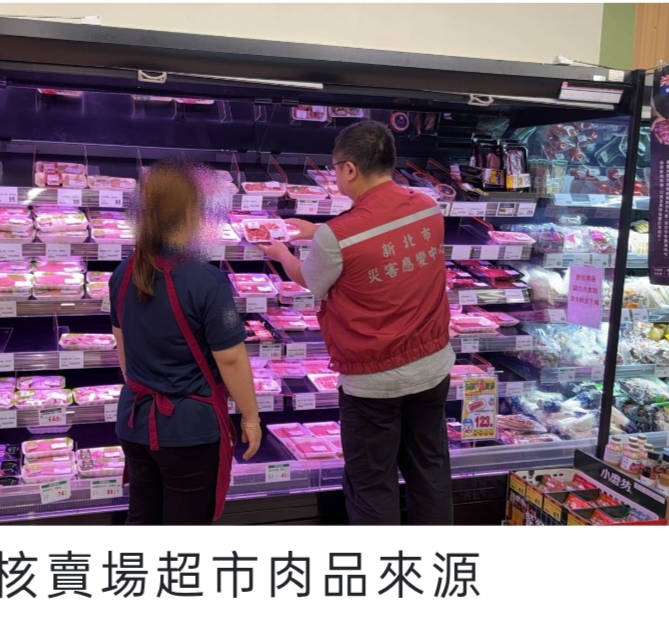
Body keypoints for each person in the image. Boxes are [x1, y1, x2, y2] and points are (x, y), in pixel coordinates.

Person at [261, 120, 454, 525]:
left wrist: (282, 253)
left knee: (371, 483)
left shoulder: (340, 236)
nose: (335, 176)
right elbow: (378, 233)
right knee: (430, 470)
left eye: (334, 168)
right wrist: (318, 231)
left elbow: (311, 279)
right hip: (432, 366)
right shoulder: (427, 206)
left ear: (349, 168)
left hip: (374, 379)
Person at [110, 159, 262, 525]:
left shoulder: (123, 272)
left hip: (134, 421)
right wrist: (251, 417)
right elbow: (231, 359)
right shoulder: (207, 281)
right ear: (193, 213)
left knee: (143, 519)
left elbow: (123, 348)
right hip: (189, 430)